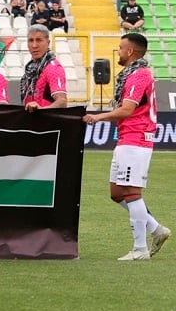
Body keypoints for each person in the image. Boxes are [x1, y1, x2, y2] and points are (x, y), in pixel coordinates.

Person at [83, 34, 169, 260]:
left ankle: (140, 249)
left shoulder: (139, 75)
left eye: (121, 48)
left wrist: (98, 117)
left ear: (130, 51)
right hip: (127, 138)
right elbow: (124, 112)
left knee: (131, 192)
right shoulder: (132, 74)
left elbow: (127, 110)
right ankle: (156, 229)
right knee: (116, 192)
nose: (118, 51)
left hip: (136, 138)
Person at [20, 24, 67, 110]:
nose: (34, 45)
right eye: (31, 40)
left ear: (48, 43)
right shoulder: (30, 68)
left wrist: (41, 110)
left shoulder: (53, 68)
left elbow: (62, 101)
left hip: (48, 121)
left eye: (39, 40)